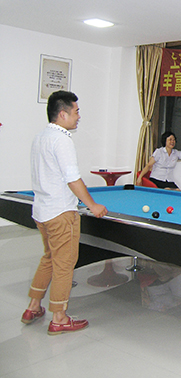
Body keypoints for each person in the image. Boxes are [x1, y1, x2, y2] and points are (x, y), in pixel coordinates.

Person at [22, 90, 108, 335]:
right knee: (64, 264)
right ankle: (59, 317)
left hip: (42, 211)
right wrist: (92, 205)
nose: (79, 116)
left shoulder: (40, 137)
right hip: (60, 213)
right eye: (76, 111)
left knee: (49, 258)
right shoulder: (62, 140)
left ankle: (33, 306)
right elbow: (73, 179)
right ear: (62, 114)